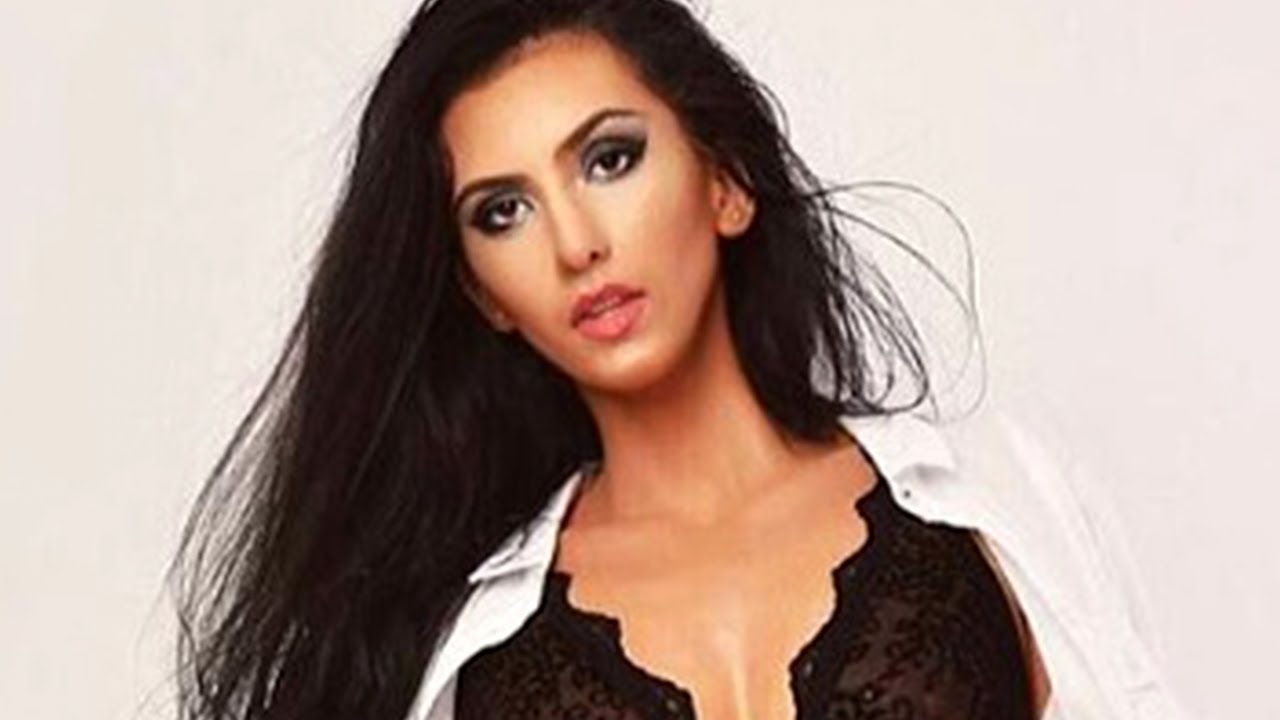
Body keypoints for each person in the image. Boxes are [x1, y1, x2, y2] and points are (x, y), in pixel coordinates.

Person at [172, 1, 1194, 719]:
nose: (576, 243)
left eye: (609, 159)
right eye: (503, 211)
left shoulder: (1000, 504)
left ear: (726, 183)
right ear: (483, 294)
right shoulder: (464, 658)